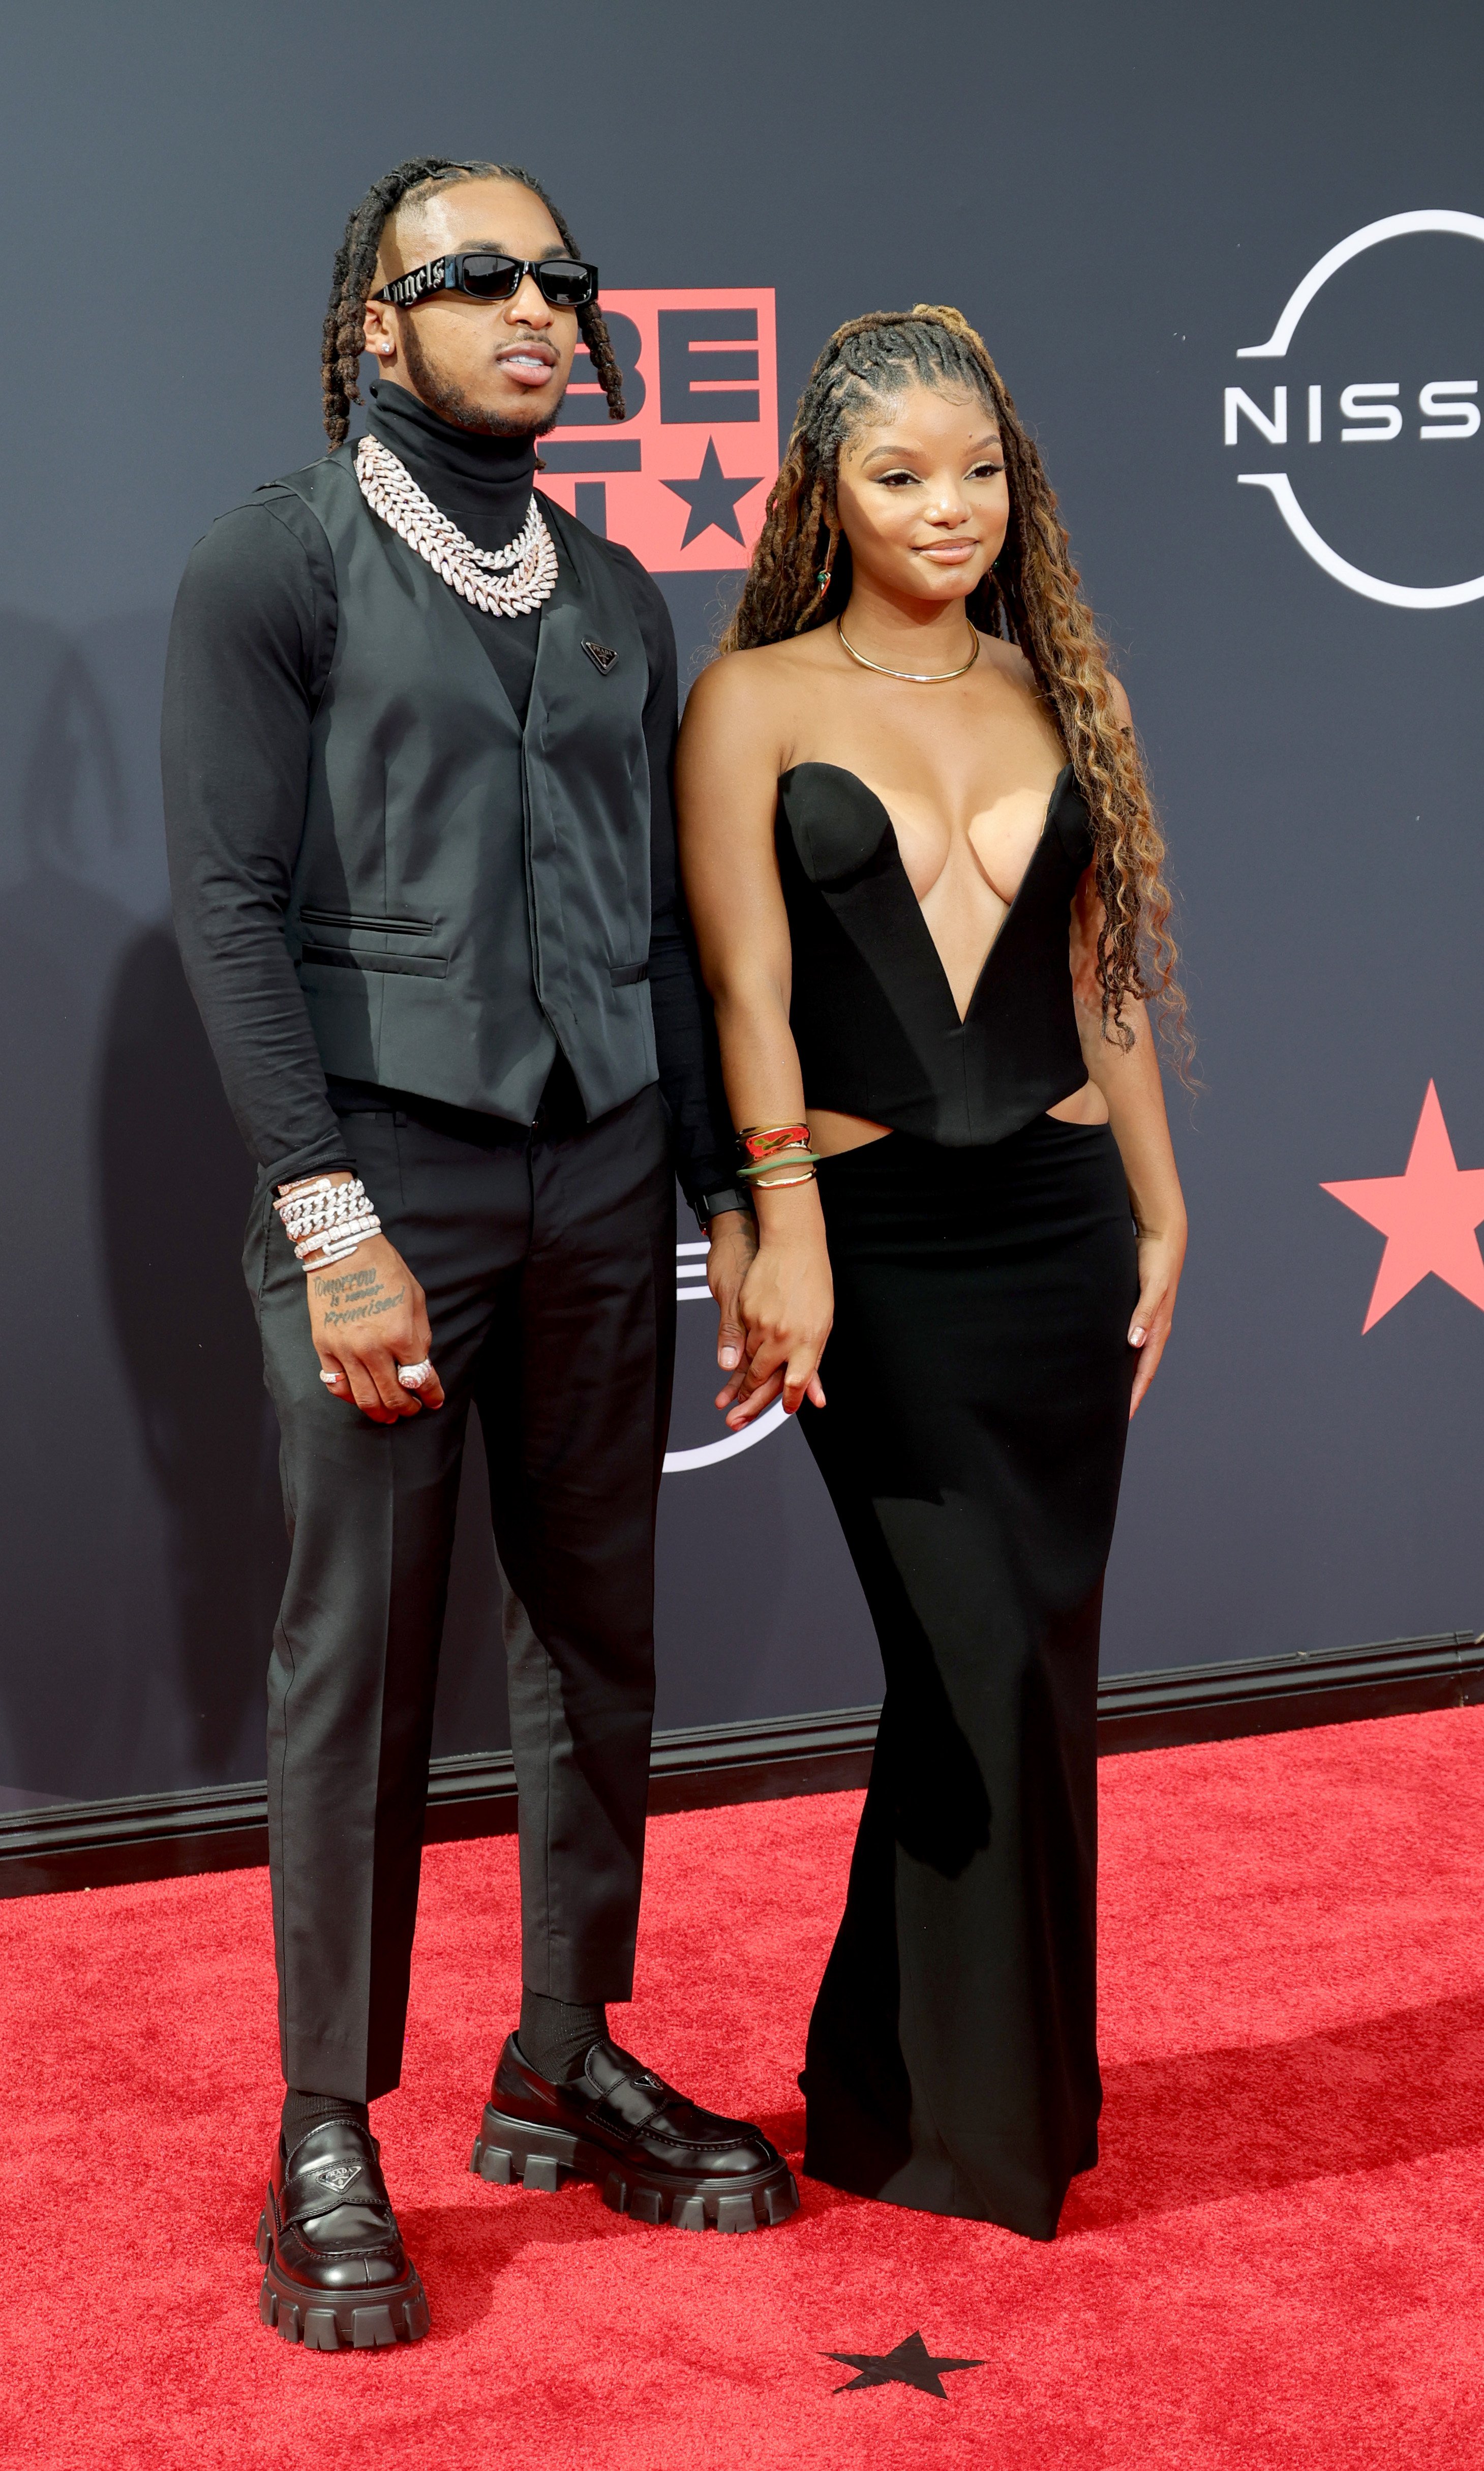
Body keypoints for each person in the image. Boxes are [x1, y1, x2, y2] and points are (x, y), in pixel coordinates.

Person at [162, 155, 797, 2354]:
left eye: (563, 277)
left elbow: (653, 935)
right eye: (481, 276)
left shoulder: (621, 589)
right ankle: (327, 2118)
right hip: (389, 1189)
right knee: (364, 1650)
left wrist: (728, 1194)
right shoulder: (283, 558)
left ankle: (564, 2051)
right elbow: (234, 915)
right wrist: (330, 1220)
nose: (540, 305)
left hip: (606, 1174)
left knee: (594, 1628)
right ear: (377, 321)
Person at [675, 306, 1189, 2242]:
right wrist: (781, 1224)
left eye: (978, 470)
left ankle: (916, 2096)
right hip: (875, 1251)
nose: (949, 507)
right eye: (902, 476)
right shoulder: (755, 698)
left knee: (1025, 1667)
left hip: (1059, 1237)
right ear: (825, 490)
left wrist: (1163, 1204)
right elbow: (746, 989)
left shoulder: (1059, 683)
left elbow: (1099, 974)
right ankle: (962, 2114)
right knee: (966, 1653)